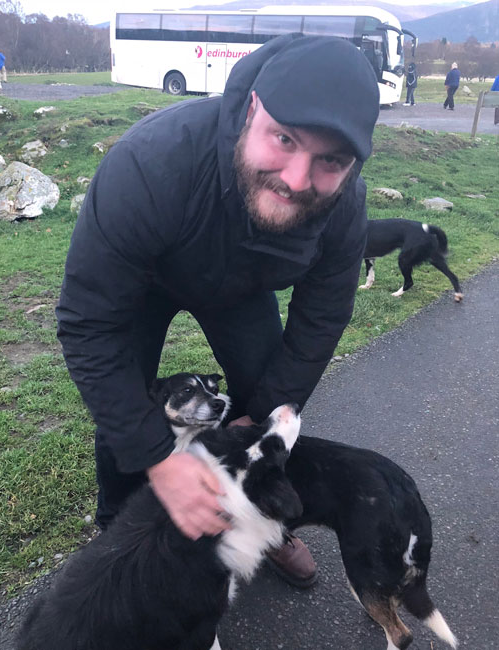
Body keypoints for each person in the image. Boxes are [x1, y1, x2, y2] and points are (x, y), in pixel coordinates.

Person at [56, 34, 380, 589]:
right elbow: (89, 322)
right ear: (252, 108)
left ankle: (260, 515)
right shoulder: (148, 164)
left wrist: (255, 427)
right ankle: (115, 528)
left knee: (267, 391)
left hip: (240, 288)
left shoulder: (345, 207)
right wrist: (158, 457)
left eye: (330, 160)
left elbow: (320, 321)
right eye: (283, 138)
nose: (298, 179)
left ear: (352, 164)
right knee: (124, 410)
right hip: (145, 284)